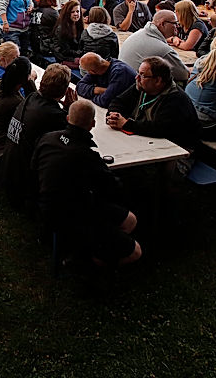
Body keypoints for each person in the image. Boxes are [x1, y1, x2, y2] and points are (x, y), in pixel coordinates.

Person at [33, 100, 141, 268]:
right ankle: (85, 260)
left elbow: (34, 168)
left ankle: (97, 245)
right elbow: (112, 188)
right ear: (93, 124)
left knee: (130, 220)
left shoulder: (48, 138)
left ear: (68, 118)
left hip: (45, 204)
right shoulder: (85, 155)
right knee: (136, 252)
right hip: (73, 213)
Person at [0, 64, 75, 207]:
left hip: (8, 171)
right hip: (24, 185)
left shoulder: (32, 98)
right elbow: (72, 139)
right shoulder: (52, 115)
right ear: (64, 90)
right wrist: (71, 111)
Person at [106, 55, 199, 148]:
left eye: (142, 75)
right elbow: (117, 101)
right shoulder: (141, 86)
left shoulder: (176, 99)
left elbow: (160, 128)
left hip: (178, 151)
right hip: (145, 141)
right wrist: (114, 115)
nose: (137, 78)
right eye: (138, 73)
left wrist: (126, 124)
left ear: (158, 80)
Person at [0, 57, 34, 161]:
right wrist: (31, 84)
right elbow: (32, 111)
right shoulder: (12, 101)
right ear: (24, 79)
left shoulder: (2, 84)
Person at [119, 10, 190, 83]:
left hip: (123, 80)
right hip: (137, 88)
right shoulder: (163, 49)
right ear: (162, 24)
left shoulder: (140, 33)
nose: (178, 26)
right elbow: (184, 74)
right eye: (175, 23)